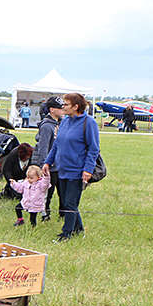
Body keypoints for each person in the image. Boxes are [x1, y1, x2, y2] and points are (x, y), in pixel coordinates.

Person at [42, 92, 99, 242]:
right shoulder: (65, 121)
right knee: (68, 201)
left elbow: (93, 149)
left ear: (76, 106)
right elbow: (57, 144)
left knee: (70, 203)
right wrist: (48, 162)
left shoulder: (89, 123)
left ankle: (66, 234)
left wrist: (88, 169)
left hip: (77, 170)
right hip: (62, 169)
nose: (63, 107)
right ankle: (79, 230)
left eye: (66, 104)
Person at [31, 96, 64, 221]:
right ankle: (45, 214)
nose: (63, 110)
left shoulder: (60, 123)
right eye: (60, 108)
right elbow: (43, 147)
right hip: (50, 166)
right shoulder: (46, 126)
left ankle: (63, 213)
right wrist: (44, 165)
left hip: (60, 165)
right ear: (52, 110)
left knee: (63, 192)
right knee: (48, 193)